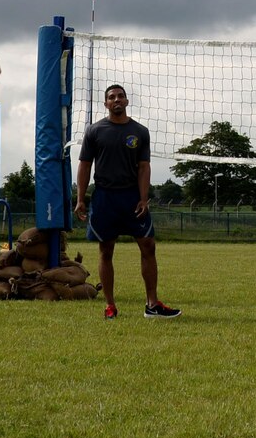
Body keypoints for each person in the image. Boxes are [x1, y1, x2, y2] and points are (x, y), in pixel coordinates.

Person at [74, 84, 180, 319]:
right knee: (106, 250)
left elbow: (144, 167)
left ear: (127, 101)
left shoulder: (140, 131)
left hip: (131, 197)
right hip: (104, 198)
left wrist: (144, 198)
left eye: (121, 96)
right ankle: (110, 305)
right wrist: (81, 199)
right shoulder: (95, 131)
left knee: (148, 246)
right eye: (112, 97)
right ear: (106, 104)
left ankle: (152, 304)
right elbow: (84, 165)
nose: (117, 99)